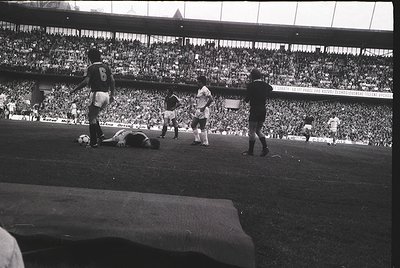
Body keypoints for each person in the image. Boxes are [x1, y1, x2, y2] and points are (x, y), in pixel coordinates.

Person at [70, 48, 115, 148]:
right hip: (106, 95)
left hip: (97, 94)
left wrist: (75, 89)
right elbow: (112, 81)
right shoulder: (106, 67)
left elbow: (86, 82)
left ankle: (93, 143)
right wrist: (112, 95)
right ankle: (101, 136)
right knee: (94, 116)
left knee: (92, 118)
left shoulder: (91, 68)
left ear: (90, 58)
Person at [242, 68, 273, 156]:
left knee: (252, 131)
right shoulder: (265, 85)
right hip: (263, 109)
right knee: (258, 130)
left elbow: (247, 100)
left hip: (255, 109)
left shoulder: (251, 85)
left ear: (252, 76)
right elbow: (271, 88)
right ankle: (265, 148)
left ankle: (250, 151)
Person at [190, 76, 213, 147]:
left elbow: (211, 99)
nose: (197, 83)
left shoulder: (205, 89)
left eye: (198, 81)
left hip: (203, 109)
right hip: (198, 109)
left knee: (202, 127)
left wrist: (204, 107)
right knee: (193, 124)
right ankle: (197, 140)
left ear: (201, 82)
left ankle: (206, 142)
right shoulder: (199, 90)